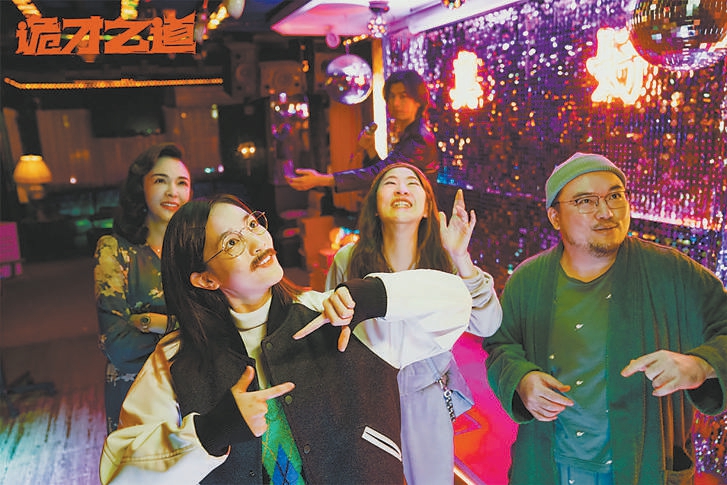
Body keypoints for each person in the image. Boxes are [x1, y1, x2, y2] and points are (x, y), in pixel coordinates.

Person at [99, 194, 475, 485]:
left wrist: (374, 296)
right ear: (205, 278)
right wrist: (211, 431)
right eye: (231, 242)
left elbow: (456, 305)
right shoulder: (176, 359)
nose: (256, 241)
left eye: (252, 224)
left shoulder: (333, 315)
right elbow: (119, 472)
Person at [484, 152, 727, 485]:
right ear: (555, 216)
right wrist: (522, 381)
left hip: (644, 467)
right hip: (550, 465)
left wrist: (701, 365)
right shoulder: (528, 279)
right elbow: (501, 346)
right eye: (585, 201)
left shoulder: (672, 272)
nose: (606, 212)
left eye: (615, 196)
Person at [325, 162, 502, 484]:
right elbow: (330, 333)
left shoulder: (445, 262)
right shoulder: (348, 259)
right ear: (374, 205)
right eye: (390, 183)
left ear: (426, 209)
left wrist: (461, 257)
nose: (402, 189)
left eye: (413, 183)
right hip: (367, 397)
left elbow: (486, 324)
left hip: (426, 398)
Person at [93, 143, 192, 434]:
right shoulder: (114, 250)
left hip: (196, 388)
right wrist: (190, 332)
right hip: (138, 393)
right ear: (141, 187)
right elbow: (118, 345)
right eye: (161, 180)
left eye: (182, 183)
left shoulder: (197, 251)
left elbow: (223, 324)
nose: (173, 192)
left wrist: (155, 322)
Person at [286, 69, 440, 194]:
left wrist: (321, 180)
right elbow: (387, 174)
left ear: (418, 101)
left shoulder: (419, 139)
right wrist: (370, 148)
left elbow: (381, 174)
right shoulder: (410, 133)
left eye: (403, 96)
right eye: (391, 96)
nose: (395, 103)